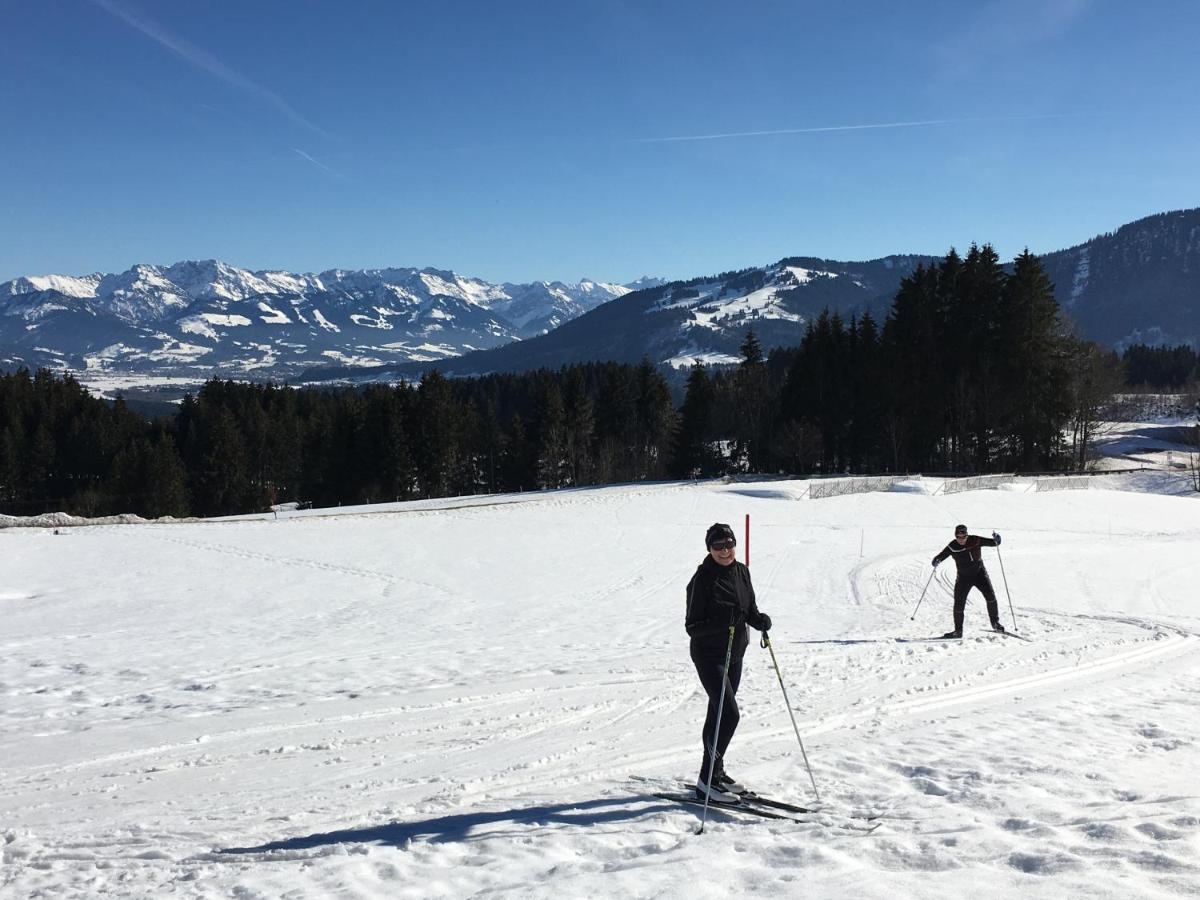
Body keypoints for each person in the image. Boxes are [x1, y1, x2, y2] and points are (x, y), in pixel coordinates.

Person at [685, 522, 772, 801]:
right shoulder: (702, 579)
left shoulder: (741, 571)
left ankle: (715, 772)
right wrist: (720, 623)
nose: (725, 551)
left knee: (718, 714)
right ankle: (707, 779)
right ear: (709, 549)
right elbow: (693, 627)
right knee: (730, 714)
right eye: (718, 546)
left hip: (735, 653)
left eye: (729, 544)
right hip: (710, 655)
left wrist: (758, 620)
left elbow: (748, 608)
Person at [931, 524, 1004, 638]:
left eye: (963, 536)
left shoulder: (975, 540)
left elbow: (994, 543)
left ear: (967, 535)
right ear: (955, 536)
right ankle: (958, 631)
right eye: (958, 537)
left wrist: (997, 540)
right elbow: (941, 556)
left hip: (980, 574)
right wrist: (936, 560)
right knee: (959, 605)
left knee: (990, 597)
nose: (961, 539)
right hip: (963, 578)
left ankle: (995, 623)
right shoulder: (952, 546)